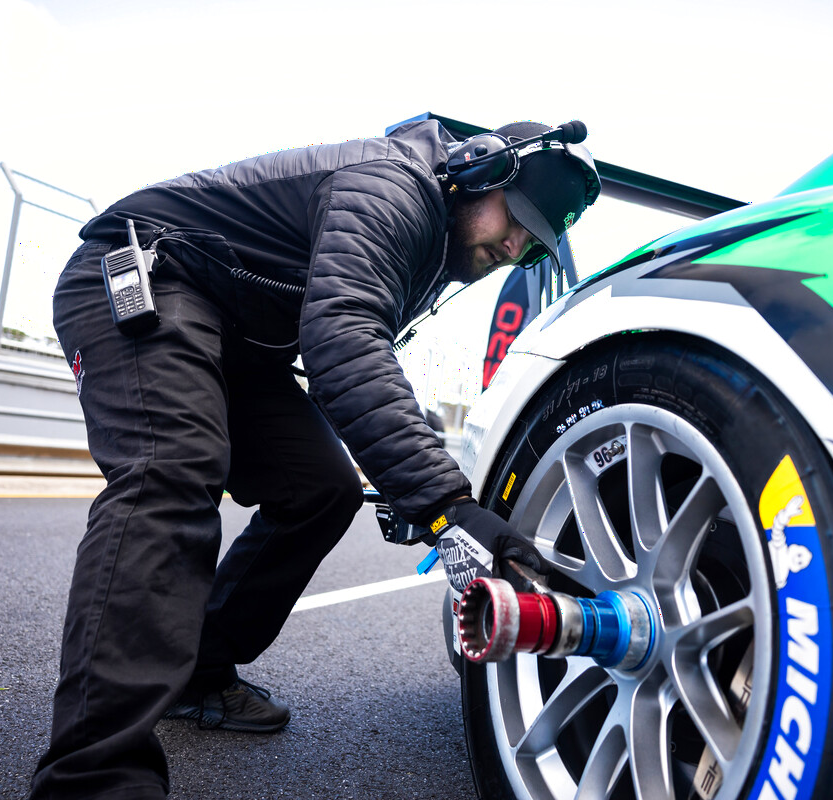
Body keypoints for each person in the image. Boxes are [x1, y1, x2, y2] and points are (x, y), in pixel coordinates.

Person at [30, 118, 600, 799]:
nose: (513, 247)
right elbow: (343, 341)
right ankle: (92, 775)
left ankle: (198, 672)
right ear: (478, 169)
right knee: (172, 469)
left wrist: (412, 470)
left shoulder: (430, 242)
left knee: (321, 487)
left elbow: (354, 358)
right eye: (517, 220)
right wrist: (445, 508)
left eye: (531, 246)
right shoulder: (391, 189)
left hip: (237, 338)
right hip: (146, 272)